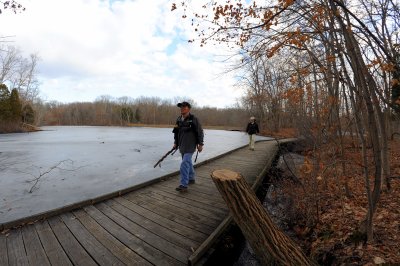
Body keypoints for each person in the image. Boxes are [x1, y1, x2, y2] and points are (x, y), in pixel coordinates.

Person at [172, 101, 204, 192]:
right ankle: (191, 178)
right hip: (182, 146)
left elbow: (200, 132)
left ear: (188, 109)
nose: (182, 108)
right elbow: (176, 132)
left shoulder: (194, 119)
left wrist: (200, 144)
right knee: (188, 162)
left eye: (184, 107)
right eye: (181, 107)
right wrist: (175, 143)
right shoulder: (178, 119)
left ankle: (183, 185)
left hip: (190, 146)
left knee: (184, 163)